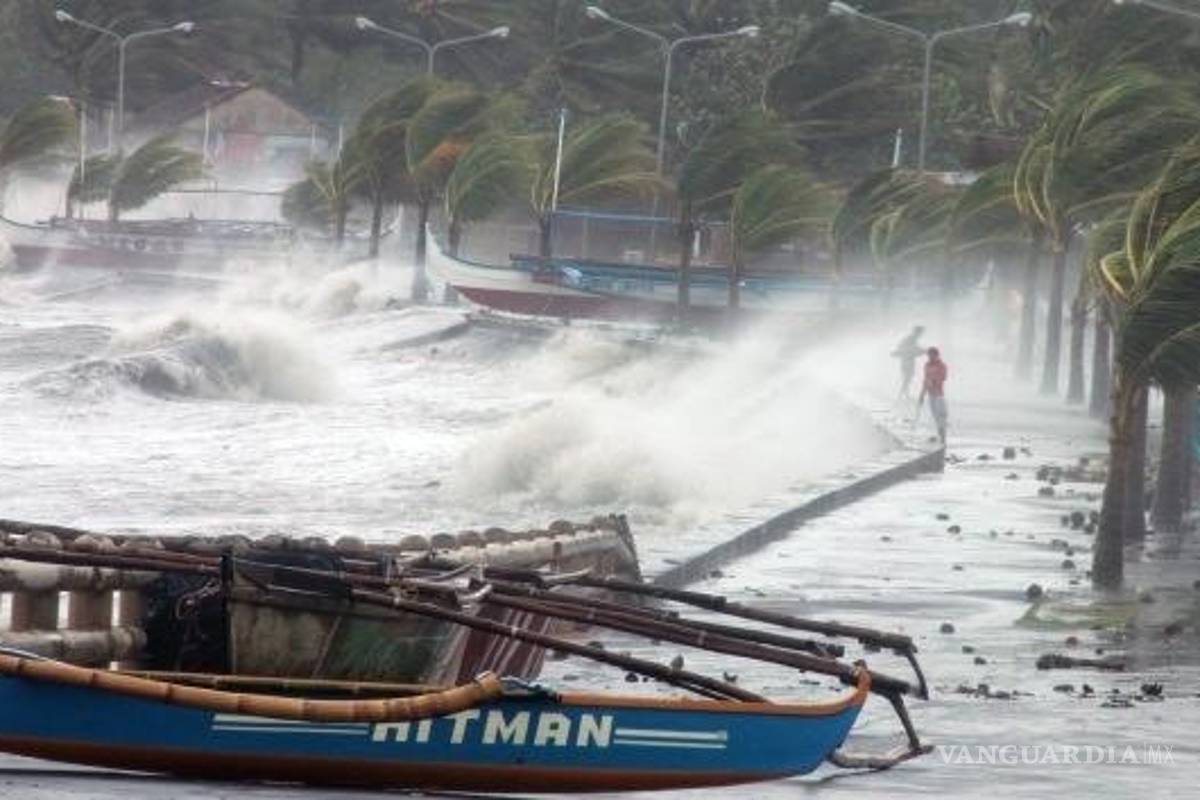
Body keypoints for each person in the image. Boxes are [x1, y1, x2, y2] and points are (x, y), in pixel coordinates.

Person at [917, 346, 949, 445]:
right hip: (931, 396)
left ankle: (943, 440)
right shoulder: (927, 365)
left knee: (941, 417)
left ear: (936, 355)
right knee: (936, 418)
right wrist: (922, 395)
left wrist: (933, 381)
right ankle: (941, 438)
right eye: (928, 355)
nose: (930, 357)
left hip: (939, 395)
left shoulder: (942, 365)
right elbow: (925, 380)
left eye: (931, 355)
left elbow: (943, 378)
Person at [891, 325, 925, 399]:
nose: (921, 334)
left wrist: (922, 351)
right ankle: (901, 395)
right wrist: (922, 351)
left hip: (908, 361)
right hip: (907, 361)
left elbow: (914, 350)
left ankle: (904, 394)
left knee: (907, 378)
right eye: (921, 332)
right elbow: (912, 349)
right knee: (907, 378)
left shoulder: (912, 339)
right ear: (917, 332)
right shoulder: (911, 339)